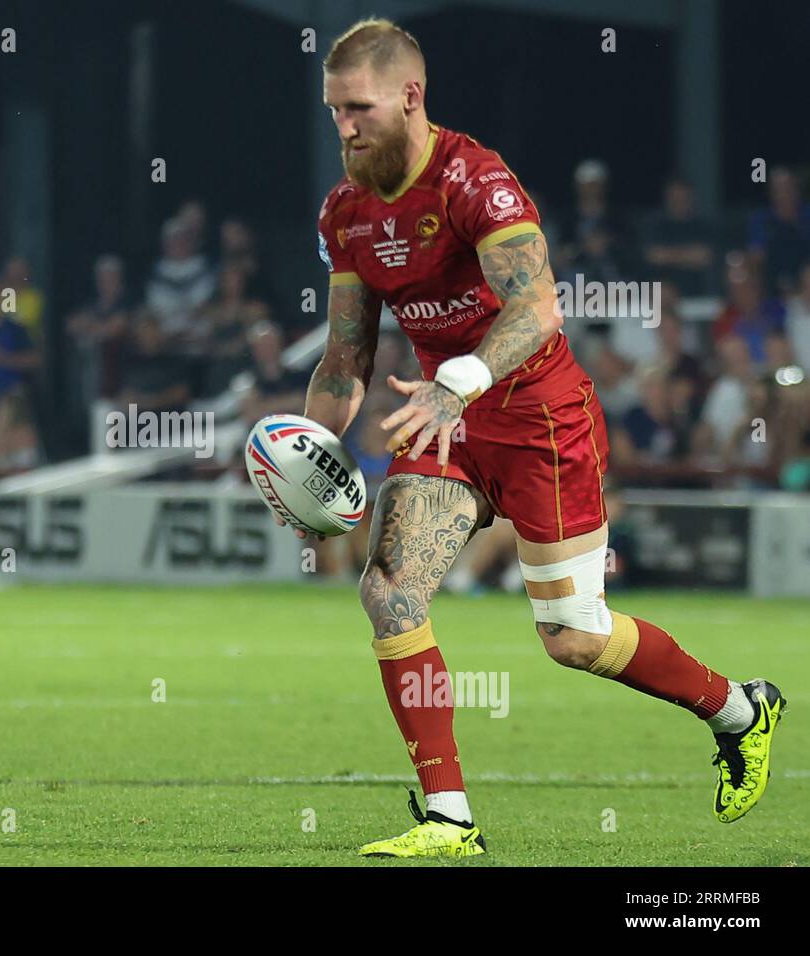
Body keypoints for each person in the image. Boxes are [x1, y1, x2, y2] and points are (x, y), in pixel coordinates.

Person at [272, 18, 786, 859]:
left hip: (540, 419)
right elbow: (346, 354)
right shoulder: (347, 212)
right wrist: (313, 455)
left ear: (410, 96)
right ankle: (448, 819)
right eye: (334, 111)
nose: (345, 128)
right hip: (446, 426)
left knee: (574, 638)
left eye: (358, 108)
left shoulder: (474, 180)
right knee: (390, 589)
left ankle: (739, 709)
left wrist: (458, 382)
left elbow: (540, 307)